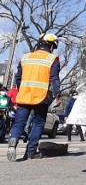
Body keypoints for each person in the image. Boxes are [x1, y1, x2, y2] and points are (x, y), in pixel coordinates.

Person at [6, 33, 61, 161]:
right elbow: (54, 79)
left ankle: (13, 141)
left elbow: (18, 78)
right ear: (52, 47)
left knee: (19, 123)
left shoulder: (25, 57)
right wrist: (58, 95)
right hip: (40, 97)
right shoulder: (52, 59)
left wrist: (22, 89)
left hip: (24, 95)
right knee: (38, 123)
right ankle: (30, 152)